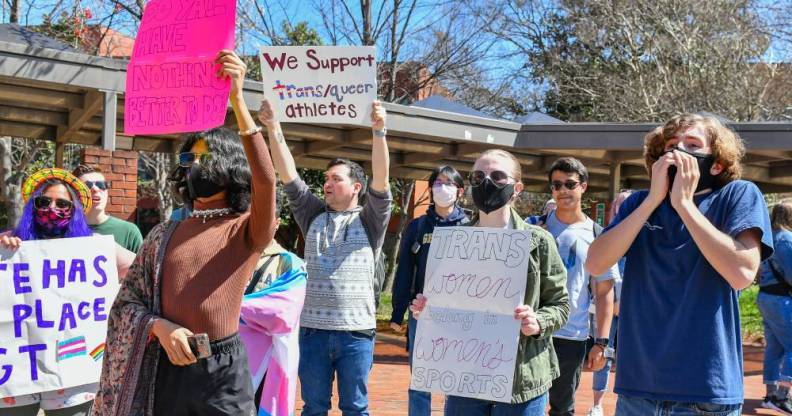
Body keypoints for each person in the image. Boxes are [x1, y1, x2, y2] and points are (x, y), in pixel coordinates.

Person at [95, 50, 277, 415]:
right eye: (187, 159)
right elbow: (127, 303)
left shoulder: (247, 229)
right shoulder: (164, 233)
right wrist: (158, 327)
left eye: (203, 157)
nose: (193, 166)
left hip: (221, 374)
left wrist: (238, 101)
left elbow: (266, 180)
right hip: (166, 366)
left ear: (229, 164)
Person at [586, 114, 773, 416]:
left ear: (716, 164)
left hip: (705, 392)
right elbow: (596, 263)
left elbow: (742, 273)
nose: (679, 151)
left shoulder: (738, 195)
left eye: (693, 144)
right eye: (671, 145)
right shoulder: (638, 204)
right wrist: (652, 200)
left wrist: (684, 204)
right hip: (637, 389)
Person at [411, 149, 569, 416]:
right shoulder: (454, 243)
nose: (486, 182)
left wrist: (538, 322)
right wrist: (426, 310)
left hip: (521, 379)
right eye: (478, 176)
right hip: (465, 378)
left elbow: (560, 304)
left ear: (517, 188)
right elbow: (444, 301)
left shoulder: (539, 242)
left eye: (497, 176)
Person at [258, 98, 391, 416]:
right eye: (326, 178)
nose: (327, 183)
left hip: (356, 333)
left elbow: (382, 180)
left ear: (356, 187)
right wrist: (273, 127)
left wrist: (379, 132)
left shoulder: (371, 219)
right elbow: (288, 175)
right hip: (312, 332)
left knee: (355, 408)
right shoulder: (312, 214)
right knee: (313, 407)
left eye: (336, 179)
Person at [0, 168, 132, 416]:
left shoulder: (93, 247)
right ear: (32, 205)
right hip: (17, 373)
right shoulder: (9, 243)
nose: (52, 208)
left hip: (71, 376)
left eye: (62, 203)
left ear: (74, 210)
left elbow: (141, 271)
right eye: (44, 202)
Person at [537, 157, 617, 416]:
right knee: (521, 404)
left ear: (583, 187)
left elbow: (604, 292)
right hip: (531, 330)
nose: (563, 190)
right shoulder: (534, 226)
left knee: (562, 409)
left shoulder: (597, 234)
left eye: (570, 184)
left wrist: (601, 343)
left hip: (570, 334)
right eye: (556, 185)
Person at [389, 165, 469, 416]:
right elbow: (405, 270)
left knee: (457, 379)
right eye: (437, 183)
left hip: (460, 316)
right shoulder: (418, 226)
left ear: (460, 191)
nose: (442, 188)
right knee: (420, 380)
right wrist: (398, 312)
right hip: (422, 314)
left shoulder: (471, 227)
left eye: (448, 183)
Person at [240, 198, 307, 416]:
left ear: (276, 223)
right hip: (228, 359)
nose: (254, 225)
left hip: (267, 365)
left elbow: (282, 314)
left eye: (262, 219)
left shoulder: (290, 264)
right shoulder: (228, 259)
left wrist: (231, 308)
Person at [587, 189, 632, 416]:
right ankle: (597, 403)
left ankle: (627, 403)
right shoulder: (605, 236)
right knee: (603, 354)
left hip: (633, 312)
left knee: (631, 358)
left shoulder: (641, 235)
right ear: (613, 208)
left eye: (628, 204)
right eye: (619, 204)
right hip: (608, 309)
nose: (623, 208)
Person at [758, 199, 792, 416]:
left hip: (766, 297)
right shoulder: (787, 239)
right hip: (782, 300)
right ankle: (782, 397)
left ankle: (770, 395)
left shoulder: (768, 238)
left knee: (775, 348)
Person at [72, 164, 143, 253]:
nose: (96, 189)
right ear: (74, 194)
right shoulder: (63, 230)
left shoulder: (129, 232)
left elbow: (144, 262)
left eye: (101, 185)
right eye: (87, 186)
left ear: (107, 192)